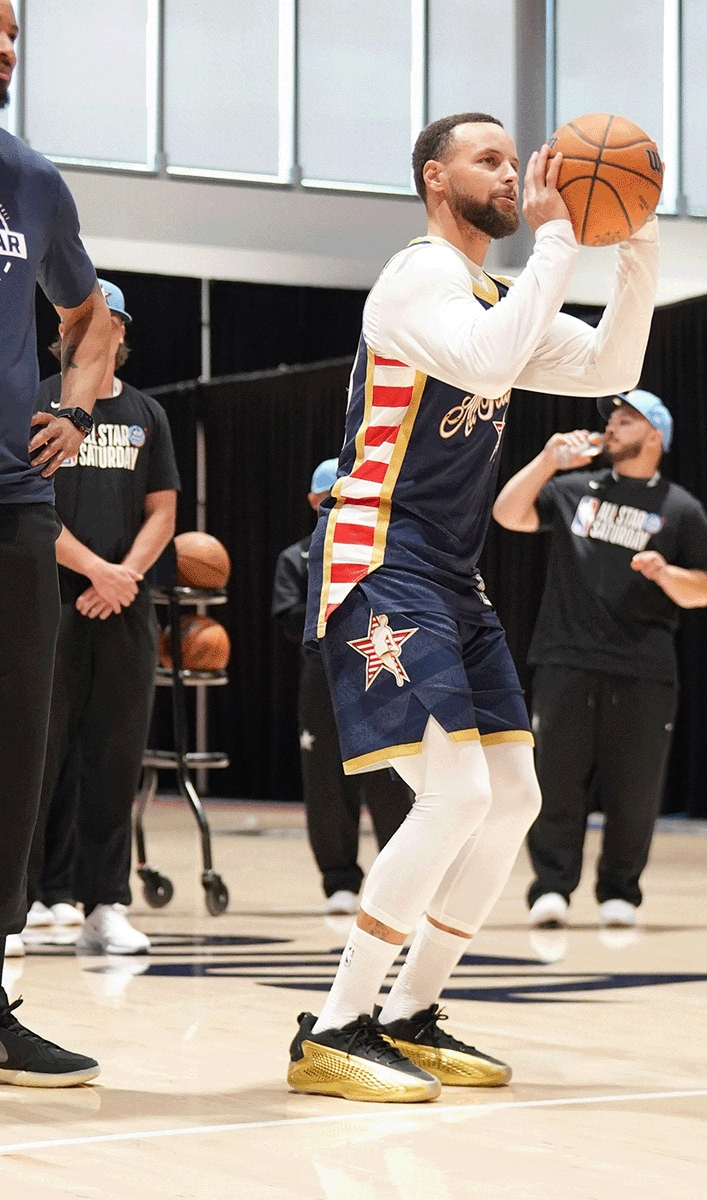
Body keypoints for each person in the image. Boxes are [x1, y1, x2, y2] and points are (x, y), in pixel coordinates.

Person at [289, 111, 659, 1102]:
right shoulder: (418, 279)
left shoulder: (496, 295)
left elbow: (608, 369)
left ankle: (411, 1011)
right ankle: (333, 1027)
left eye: (514, 157)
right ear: (433, 176)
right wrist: (561, 237)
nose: (509, 170)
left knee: (517, 801)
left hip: (452, 577)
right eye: (487, 158)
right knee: (455, 797)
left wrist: (641, 247)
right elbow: (492, 361)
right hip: (379, 563)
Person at [493, 390, 707, 931]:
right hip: (565, 658)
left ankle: (620, 890)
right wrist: (549, 459)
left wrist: (666, 573)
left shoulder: (681, 509)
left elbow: (704, 590)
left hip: (643, 667)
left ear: (655, 435)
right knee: (555, 779)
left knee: (634, 787)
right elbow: (508, 514)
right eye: (611, 419)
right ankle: (551, 888)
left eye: (626, 419)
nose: (612, 427)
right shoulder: (574, 490)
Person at [0, 0, 112, 1085]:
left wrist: (74, 409)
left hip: (11, 506)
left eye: (13, 33)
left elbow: (93, 319)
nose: (4, 48)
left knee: (12, 754)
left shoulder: (31, 180)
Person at [27, 279, 180, 956]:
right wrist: (96, 571)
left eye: (103, 324)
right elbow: (29, 507)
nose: (89, 334)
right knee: (35, 757)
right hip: (47, 602)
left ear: (119, 334)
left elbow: (164, 511)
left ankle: (103, 906)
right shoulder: (31, 402)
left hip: (124, 608)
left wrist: (125, 579)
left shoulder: (149, 413)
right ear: (63, 335)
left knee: (114, 758)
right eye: (76, 323)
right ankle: (25, 899)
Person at [272, 459, 412, 916]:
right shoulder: (297, 557)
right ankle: (339, 880)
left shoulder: (384, 553)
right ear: (314, 501)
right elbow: (288, 615)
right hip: (324, 678)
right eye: (330, 495)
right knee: (328, 779)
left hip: (380, 673)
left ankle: (398, 879)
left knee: (391, 777)